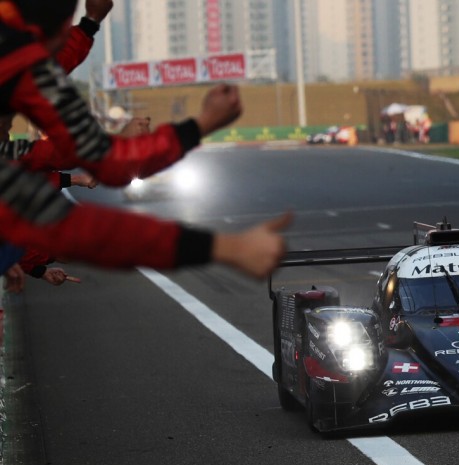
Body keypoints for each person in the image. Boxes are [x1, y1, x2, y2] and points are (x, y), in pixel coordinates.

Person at [0, 0, 291, 281]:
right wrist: (227, 248)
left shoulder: (20, 68)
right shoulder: (27, 71)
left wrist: (89, 24)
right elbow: (83, 216)